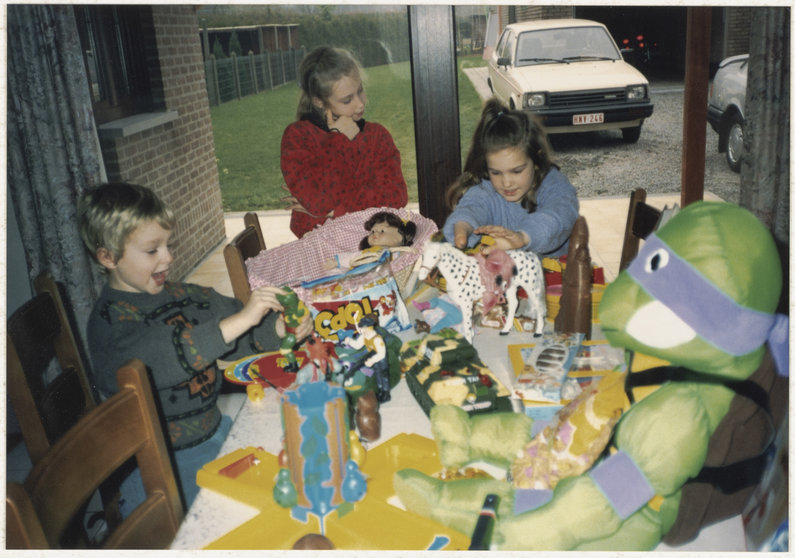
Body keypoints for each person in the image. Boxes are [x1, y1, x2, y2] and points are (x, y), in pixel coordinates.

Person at [78, 182, 312, 513]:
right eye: (152, 250)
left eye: (168, 245)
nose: (168, 257)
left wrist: (279, 327)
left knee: (295, 472)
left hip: (215, 433)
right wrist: (240, 321)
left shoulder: (185, 296)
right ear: (108, 257)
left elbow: (238, 335)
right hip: (162, 467)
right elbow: (162, 356)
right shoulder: (109, 324)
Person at [281, 46, 408, 238]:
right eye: (347, 100)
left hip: (372, 246)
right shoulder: (299, 137)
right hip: (320, 253)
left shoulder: (377, 136)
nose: (360, 103)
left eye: (360, 91)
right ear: (319, 102)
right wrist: (339, 141)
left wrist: (334, 212)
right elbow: (318, 200)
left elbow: (395, 197)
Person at [443, 99, 579, 258]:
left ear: (536, 160)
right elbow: (472, 207)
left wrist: (522, 238)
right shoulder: (486, 190)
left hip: (555, 276)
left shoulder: (554, 184)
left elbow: (559, 214)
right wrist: (462, 226)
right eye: (496, 172)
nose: (506, 183)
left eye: (516, 171)